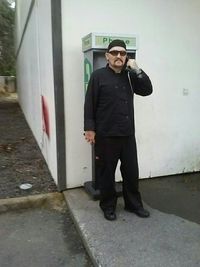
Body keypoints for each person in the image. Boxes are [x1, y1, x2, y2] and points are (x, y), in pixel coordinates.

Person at [84, 39, 153, 221]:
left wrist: (137, 69)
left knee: (131, 172)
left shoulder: (130, 76)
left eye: (122, 53)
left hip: (127, 134)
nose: (118, 56)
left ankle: (133, 205)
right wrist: (89, 129)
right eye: (114, 53)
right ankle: (108, 206)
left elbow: (147, 90)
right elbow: (89, 104)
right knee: (106, 174)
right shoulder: (98, 76)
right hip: (106, 135)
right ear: (107, 56)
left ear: (126, 57)